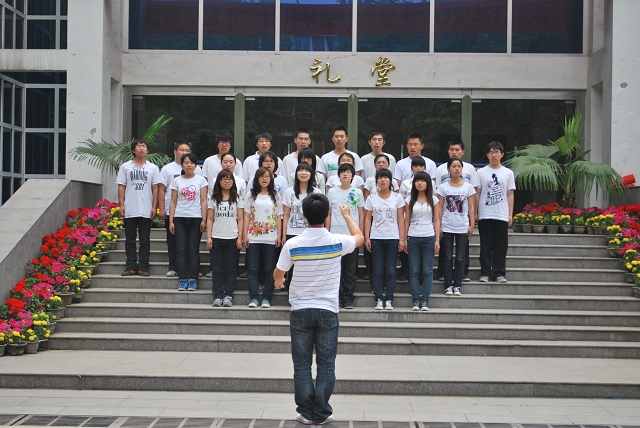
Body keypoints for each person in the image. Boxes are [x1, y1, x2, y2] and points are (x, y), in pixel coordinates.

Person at [274, 194, 363, 426]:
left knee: (302, 364)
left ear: (303, 216)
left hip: (300, 310)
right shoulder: (337, 242)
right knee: (326, 364)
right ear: (327, 215)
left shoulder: (293, 244)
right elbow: (359, 237)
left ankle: (305, 411)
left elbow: (279, 271)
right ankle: (322, 411)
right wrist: (347, 215)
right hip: (328, 310)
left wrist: (278, 282)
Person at [434, 138, 480, 283]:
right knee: (446, 253)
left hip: (462, 220)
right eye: (451, 149)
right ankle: (444, 275)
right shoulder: (440, 170)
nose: (454, 152)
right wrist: (438, 223)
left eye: (457, 150)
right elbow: (439, 202)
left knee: (461, 254)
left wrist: (473, 220)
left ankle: (462, 275)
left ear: (462, 151)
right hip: (447, 220)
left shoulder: (470, 169)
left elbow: (472, 200)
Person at [116, 139, 160, 276]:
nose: (141, 148)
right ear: (133, 150)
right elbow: (121, 186)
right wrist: (121, 205)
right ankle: (130, 265)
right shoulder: (125, 167)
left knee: (144, 239)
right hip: (130, 208)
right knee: (130, 239)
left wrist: (154, 206)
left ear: (147, 150)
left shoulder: (153, 168)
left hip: (146, 208)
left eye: (144, 146)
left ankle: (143, 266)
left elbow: (155, 187)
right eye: (138, 146)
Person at [158, 142, 202, 277]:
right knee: (174, 241)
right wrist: (162, 208)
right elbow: (161, 189)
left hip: (194, 212)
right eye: (182, 150)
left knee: (192, 245)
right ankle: (174, 267)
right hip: (173, 211)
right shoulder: (167, 169)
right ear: (175, 151)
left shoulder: (197, 170)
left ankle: (192, 269)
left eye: (187, 150)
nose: (184, 152)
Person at [364, 169, 406, 310]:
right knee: (377, 270)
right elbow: (367, 219)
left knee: (391, 270)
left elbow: (401, 219)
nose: (382, 180)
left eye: (385, 178)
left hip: (393, 238)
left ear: (390, 181)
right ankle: (378, 298)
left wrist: (402, 239)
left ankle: (389, 298)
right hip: (376, 237)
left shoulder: (397, 197)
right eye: (380, 178)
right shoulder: (371, 198)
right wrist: (367, 237)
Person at [243, 167, 283, 308]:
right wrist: (244, 234)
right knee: (253, 268)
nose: (264, 179)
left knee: (269, 269)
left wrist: (279, 235)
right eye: (261, 176)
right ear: (257, 179)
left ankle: (266, 297)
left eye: (267, 176)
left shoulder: (275, 195)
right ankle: (254, 297)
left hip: (271, 237)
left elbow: (278, 216)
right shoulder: (250, 195)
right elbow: (246, 215)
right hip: (253, 236)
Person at [476, 141, 516, 283]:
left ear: (502, 154)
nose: (494, 155)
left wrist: (510, 214)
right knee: (485, 245)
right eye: (491, 152)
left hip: (501, 214)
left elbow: (510, 194)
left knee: (501, 246)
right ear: (487, 155)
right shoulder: (480, 172)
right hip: (485, 213)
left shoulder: (508, 173)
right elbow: (477, 193)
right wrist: (475, 212)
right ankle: (485, 273)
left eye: (497, 152)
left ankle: (499, 273)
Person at [326, 163, 364, 309]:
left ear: (353, 175)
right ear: (339, 175)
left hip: (351, 236)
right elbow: (328, 214)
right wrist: (327, 232)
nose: (345, 174)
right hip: (335, 235)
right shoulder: (332, 192)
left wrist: (360, 234)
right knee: (336, 269)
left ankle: (348, 298)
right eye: (342, 172)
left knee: (350, 269)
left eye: (348, 172)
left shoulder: (357, 192)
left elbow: (361, 214)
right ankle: (337, 296)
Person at [168, 153, 208, 291]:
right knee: (181, 249)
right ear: (182, 165)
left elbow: (204, 201)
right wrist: (171, 221)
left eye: (191, 163)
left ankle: (193, 279)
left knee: (193, 249)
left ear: (195, 165)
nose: (189, 165)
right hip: (179, 218)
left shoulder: (201, 180)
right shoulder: (176, 181)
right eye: (186, 163)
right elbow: (173, 202)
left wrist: (204, 219)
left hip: (196, 218)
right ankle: (183, 278)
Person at [282, 163, 323, 289]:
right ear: (296, 174)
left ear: (311, 174)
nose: (303, 173)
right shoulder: (289, 192)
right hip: (292, 232)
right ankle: (292, 292)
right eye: (300, 170)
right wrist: (283, 235)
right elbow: (286, 215)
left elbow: (321, 214)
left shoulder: (317, 192)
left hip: (311, 233)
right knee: (292, 265)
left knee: (311, 264)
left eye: (307, 171)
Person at [206, 169, 244, 307]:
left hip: (232, 238)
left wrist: (240, 237)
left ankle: (228, 295)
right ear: (219, 181)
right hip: (216, 237)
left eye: (229, 179)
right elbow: (210, 219)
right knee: (217, 269)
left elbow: (241, 219)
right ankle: (217, 295)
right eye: (224, 179)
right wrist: (208, 237)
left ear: (233, 181)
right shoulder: (213, 199)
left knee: (231, 269)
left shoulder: (238, 199)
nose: (227, 182)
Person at [404, 172, 440, 311]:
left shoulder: (434, 200)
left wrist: (437, 239)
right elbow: (407, 220)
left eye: (422, 181)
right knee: (414, 270)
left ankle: (425, 300)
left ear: (428, 183)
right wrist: (404, 238)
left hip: (429, 236)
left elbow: (436, 220)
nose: (420, 183)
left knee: (427, 270)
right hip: (413, 236)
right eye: (417, 181)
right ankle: (416, 299)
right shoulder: (409, 199)